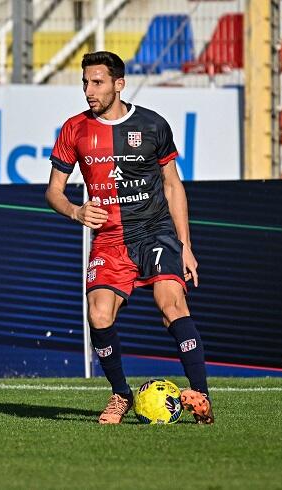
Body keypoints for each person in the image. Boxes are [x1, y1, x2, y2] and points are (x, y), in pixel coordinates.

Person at [45, 51, 214, 425]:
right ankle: (121, 394)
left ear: (119, 84)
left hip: (155, 231)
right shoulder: (74, 129)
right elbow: (53, 192)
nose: (89, 90)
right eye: (85, 82)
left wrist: (185, 245)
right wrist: (75, 211)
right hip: (108, 240)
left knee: (170, 304)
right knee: (98, 313)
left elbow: (172, 185)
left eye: (98, 82)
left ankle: (201, 396)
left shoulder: (152, 125)